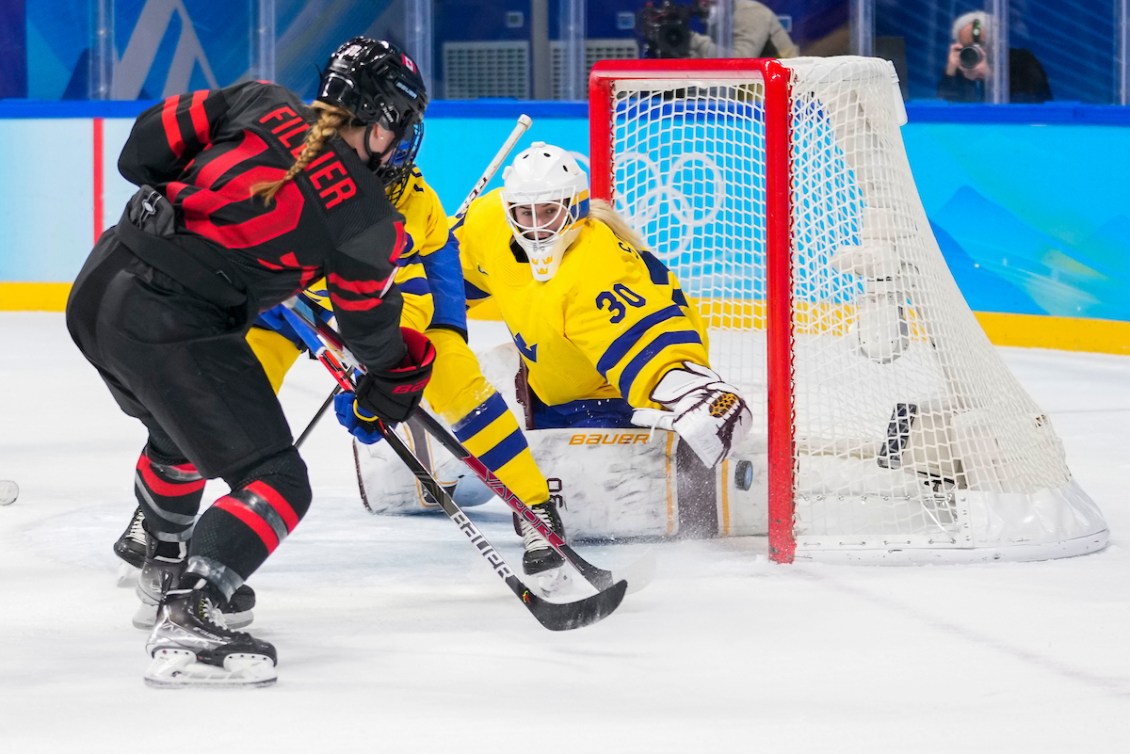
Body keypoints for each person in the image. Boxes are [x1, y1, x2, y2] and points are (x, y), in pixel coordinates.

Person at [66, 36, 435, 687]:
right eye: (398, 129)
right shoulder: (367, 219)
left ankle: (163, 562)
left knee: (178, 434)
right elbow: (369, 332)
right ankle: (192, 610)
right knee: (277, 482)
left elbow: (140, 152)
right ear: (383, 122)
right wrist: (399, 374)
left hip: (99, 285)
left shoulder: (260, 100)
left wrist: (211, 228)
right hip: (168, 321)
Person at [456, 142, 752, 469]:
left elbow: (649, 344)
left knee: (576, 498)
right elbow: (457, 278)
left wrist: (697, 394)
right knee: (453, 380)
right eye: (527, 213)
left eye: (550, 211)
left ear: (576, 206)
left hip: (612, 403)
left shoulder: (596, 266)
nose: (538, 226)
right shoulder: (487, 223)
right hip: (543, 392)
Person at [937, 10, 1052, 103]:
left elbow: (1033, 101)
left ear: (996, 42)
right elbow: (944, 108)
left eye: (981, 44)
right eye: (967, 46)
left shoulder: (1022, 61)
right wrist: (950, 71)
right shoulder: (960, 66)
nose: (975, 51)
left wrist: (991, 77)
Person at [688, 0, 799, 59]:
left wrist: (694, 40)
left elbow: (741, 61)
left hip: (781, 90)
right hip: (748, 92)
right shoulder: (717, 17)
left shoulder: (750, 12)